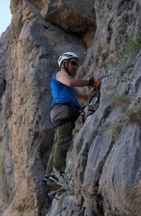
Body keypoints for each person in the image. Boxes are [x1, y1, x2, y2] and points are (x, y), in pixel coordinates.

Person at [43, 51, 100, 186]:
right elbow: (70, 82)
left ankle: (49, 175)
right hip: (63, 110)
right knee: (63, 141)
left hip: (60, 111)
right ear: (64, 64)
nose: (75, 67)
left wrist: (95, 91)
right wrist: (91, 82)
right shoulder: (61, 74)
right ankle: (58, 174)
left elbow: (84, 96)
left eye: (76, 64)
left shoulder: (66, 87)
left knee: (58, 141)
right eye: (73, 63)